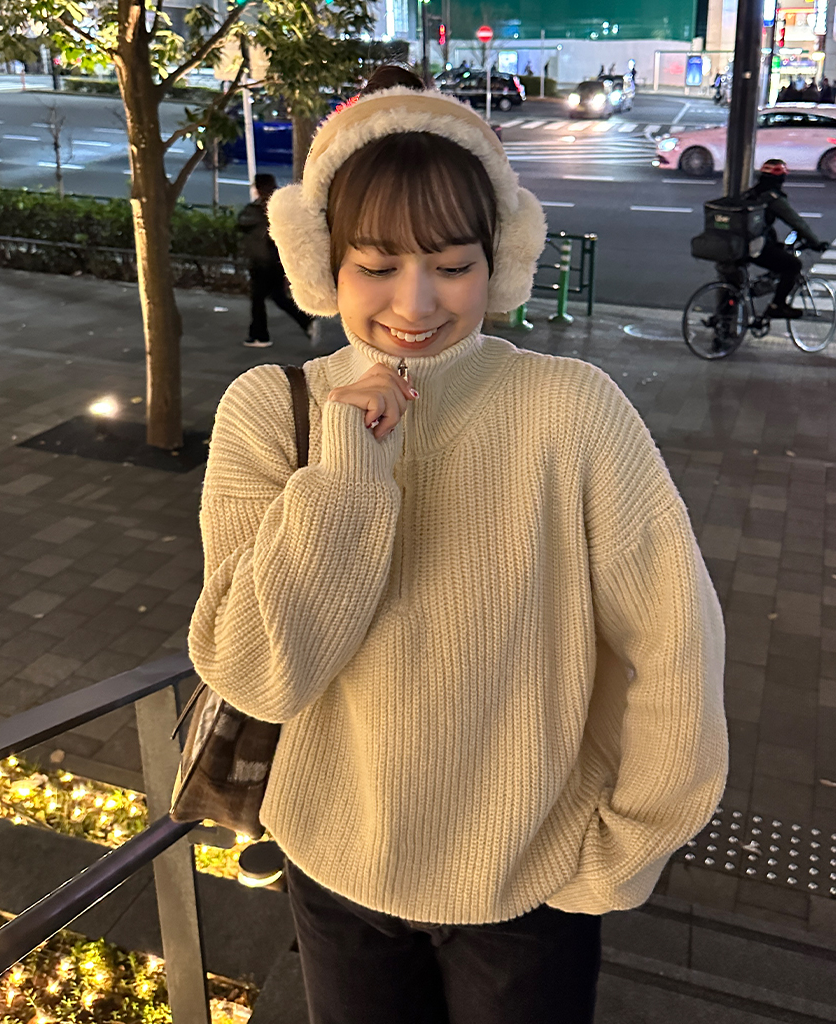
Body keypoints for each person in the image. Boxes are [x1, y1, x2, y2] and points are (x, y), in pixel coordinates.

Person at [190, 63, 728, 1024]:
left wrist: (623, 850)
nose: (416, 304)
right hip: (332, 869)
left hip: (529, 887)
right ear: (321, 265)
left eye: (451, 265)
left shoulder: (572, 412)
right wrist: (348, 473)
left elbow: (675, 644)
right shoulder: (271, 412)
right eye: (376, 265)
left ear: (500, 261)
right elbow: (259, 675)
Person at [743, 158, 830, 318]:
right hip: (754, 247)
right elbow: (796, 222)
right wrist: (815, 243)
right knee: (792, 265)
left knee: (776, 254)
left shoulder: (751, 193)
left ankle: (724, 313)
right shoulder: (772, 198)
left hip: (737, 244)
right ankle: (777, 306)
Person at [237, 173, 314, 348]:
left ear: (258, 188)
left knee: (259, 299)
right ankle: (305, 321)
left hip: (262, 261)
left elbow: (243, 222)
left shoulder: (259, 210)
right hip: (275, 261)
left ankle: (260, 335)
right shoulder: (280, 207)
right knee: (277, 297)